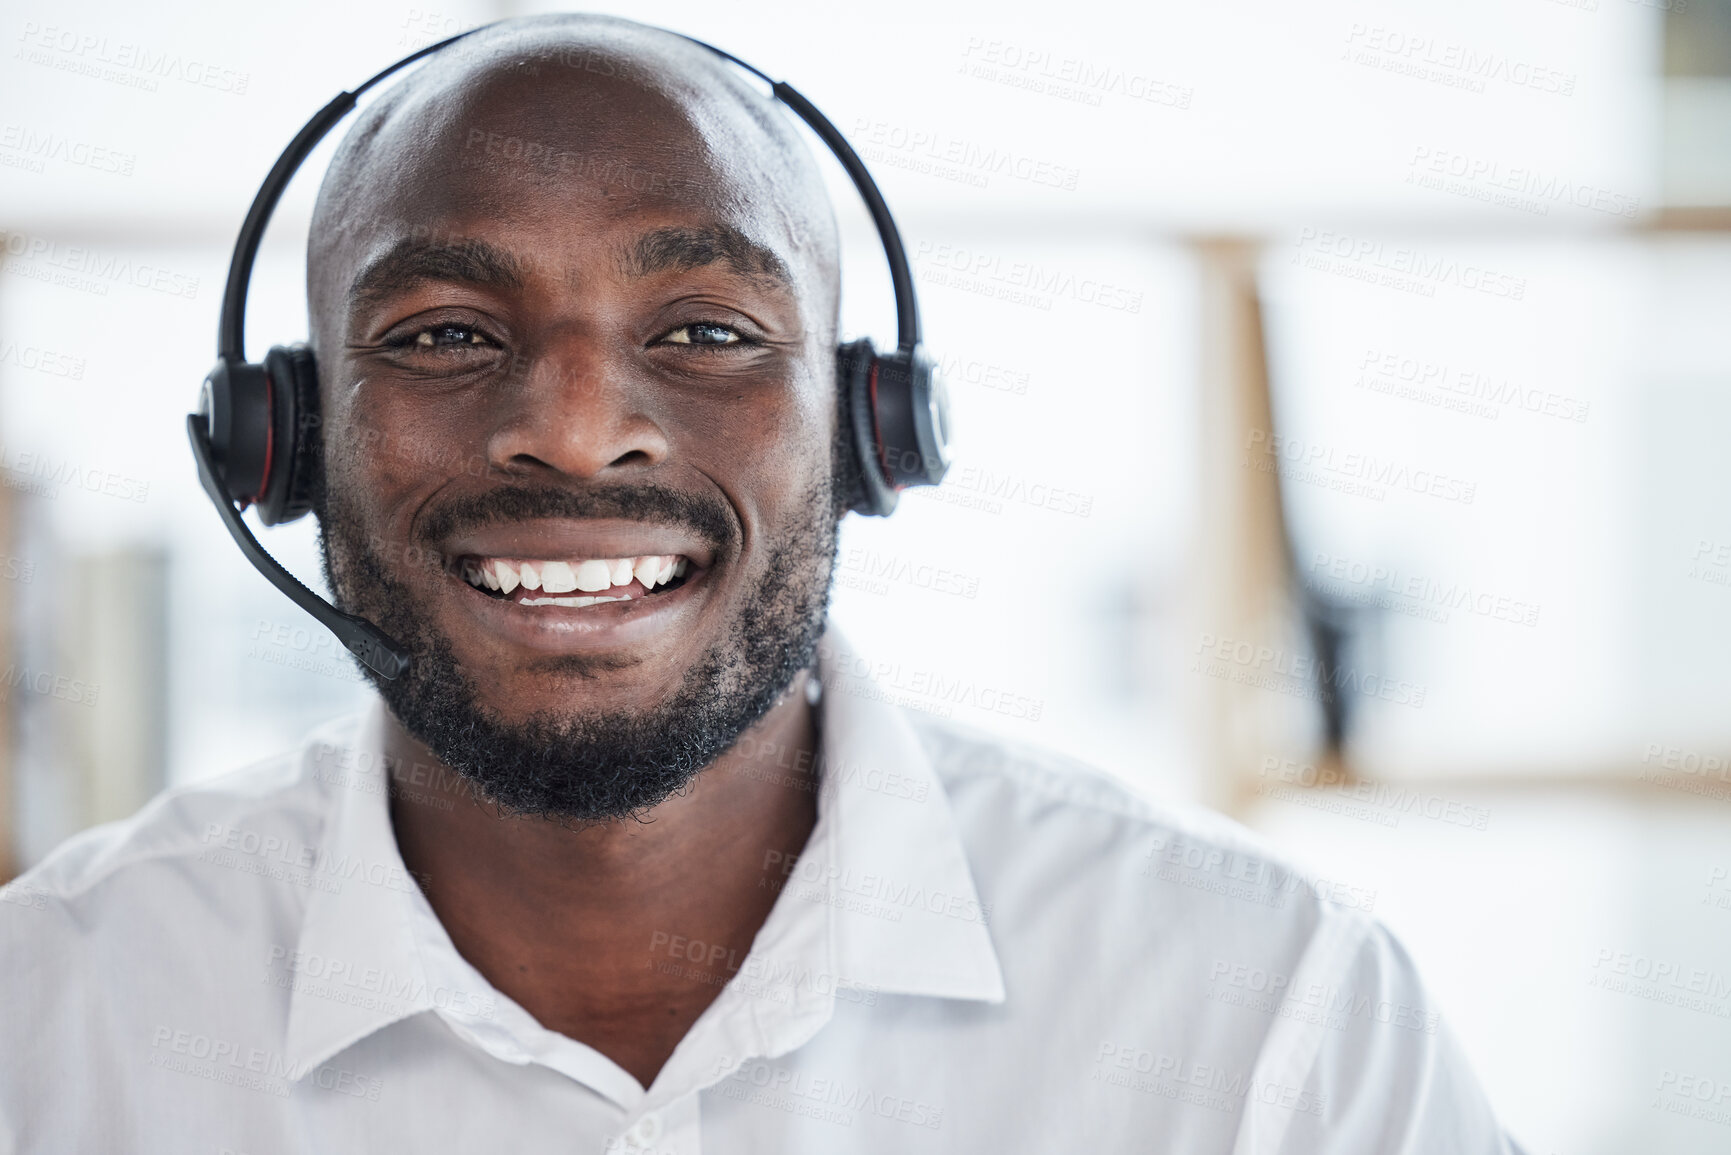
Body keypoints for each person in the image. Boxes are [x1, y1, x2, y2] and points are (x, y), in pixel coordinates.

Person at [0, 15, 1522, 1153]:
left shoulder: (1264, 1014)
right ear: (287, 434)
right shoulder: (50, 1027)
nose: (576, 431)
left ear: (868, 428)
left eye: (709, 332)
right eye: (446, 333)